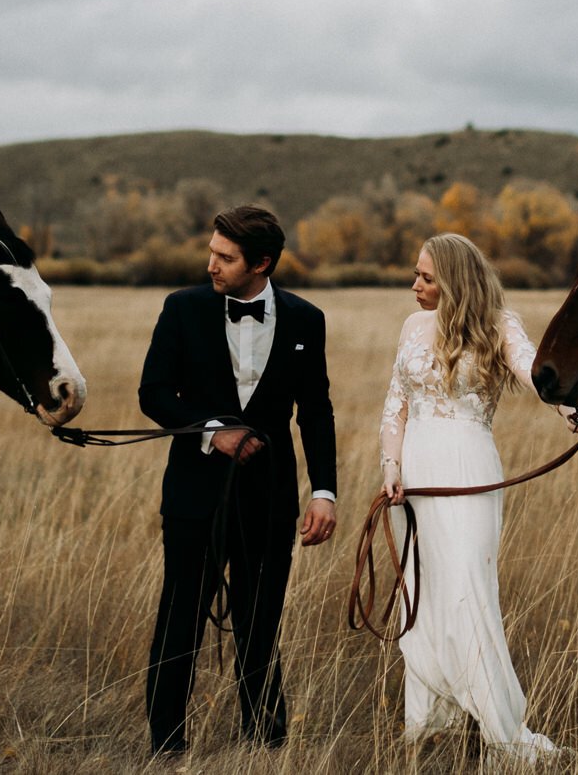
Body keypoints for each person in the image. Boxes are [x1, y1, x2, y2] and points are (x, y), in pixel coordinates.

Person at [380, 232, 578, 759]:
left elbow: (536, 375)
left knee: (467, 589)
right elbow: (395, 405)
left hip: (468, 465)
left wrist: (573, 413)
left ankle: (499, 726)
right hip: (415, 476)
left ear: (455, 280)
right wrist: (390, 466)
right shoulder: (412, 327)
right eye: (416, 274)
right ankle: (433, 724)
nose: (416, 285)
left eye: (426, 277)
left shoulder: (500, 325)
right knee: (422, 593)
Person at [138, 205, 338, 758]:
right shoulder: (181, 309)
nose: (212, 265)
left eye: (225, 257)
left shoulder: (306, 319)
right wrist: (211, 432)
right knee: (180, 620)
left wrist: (324, 492)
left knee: (261, 621)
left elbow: (315, 412)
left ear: (262, 263)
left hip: (270, 495)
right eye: (212, 252)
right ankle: (167, 749)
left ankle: (267, 744)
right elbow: (152, 393)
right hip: (194, 495)